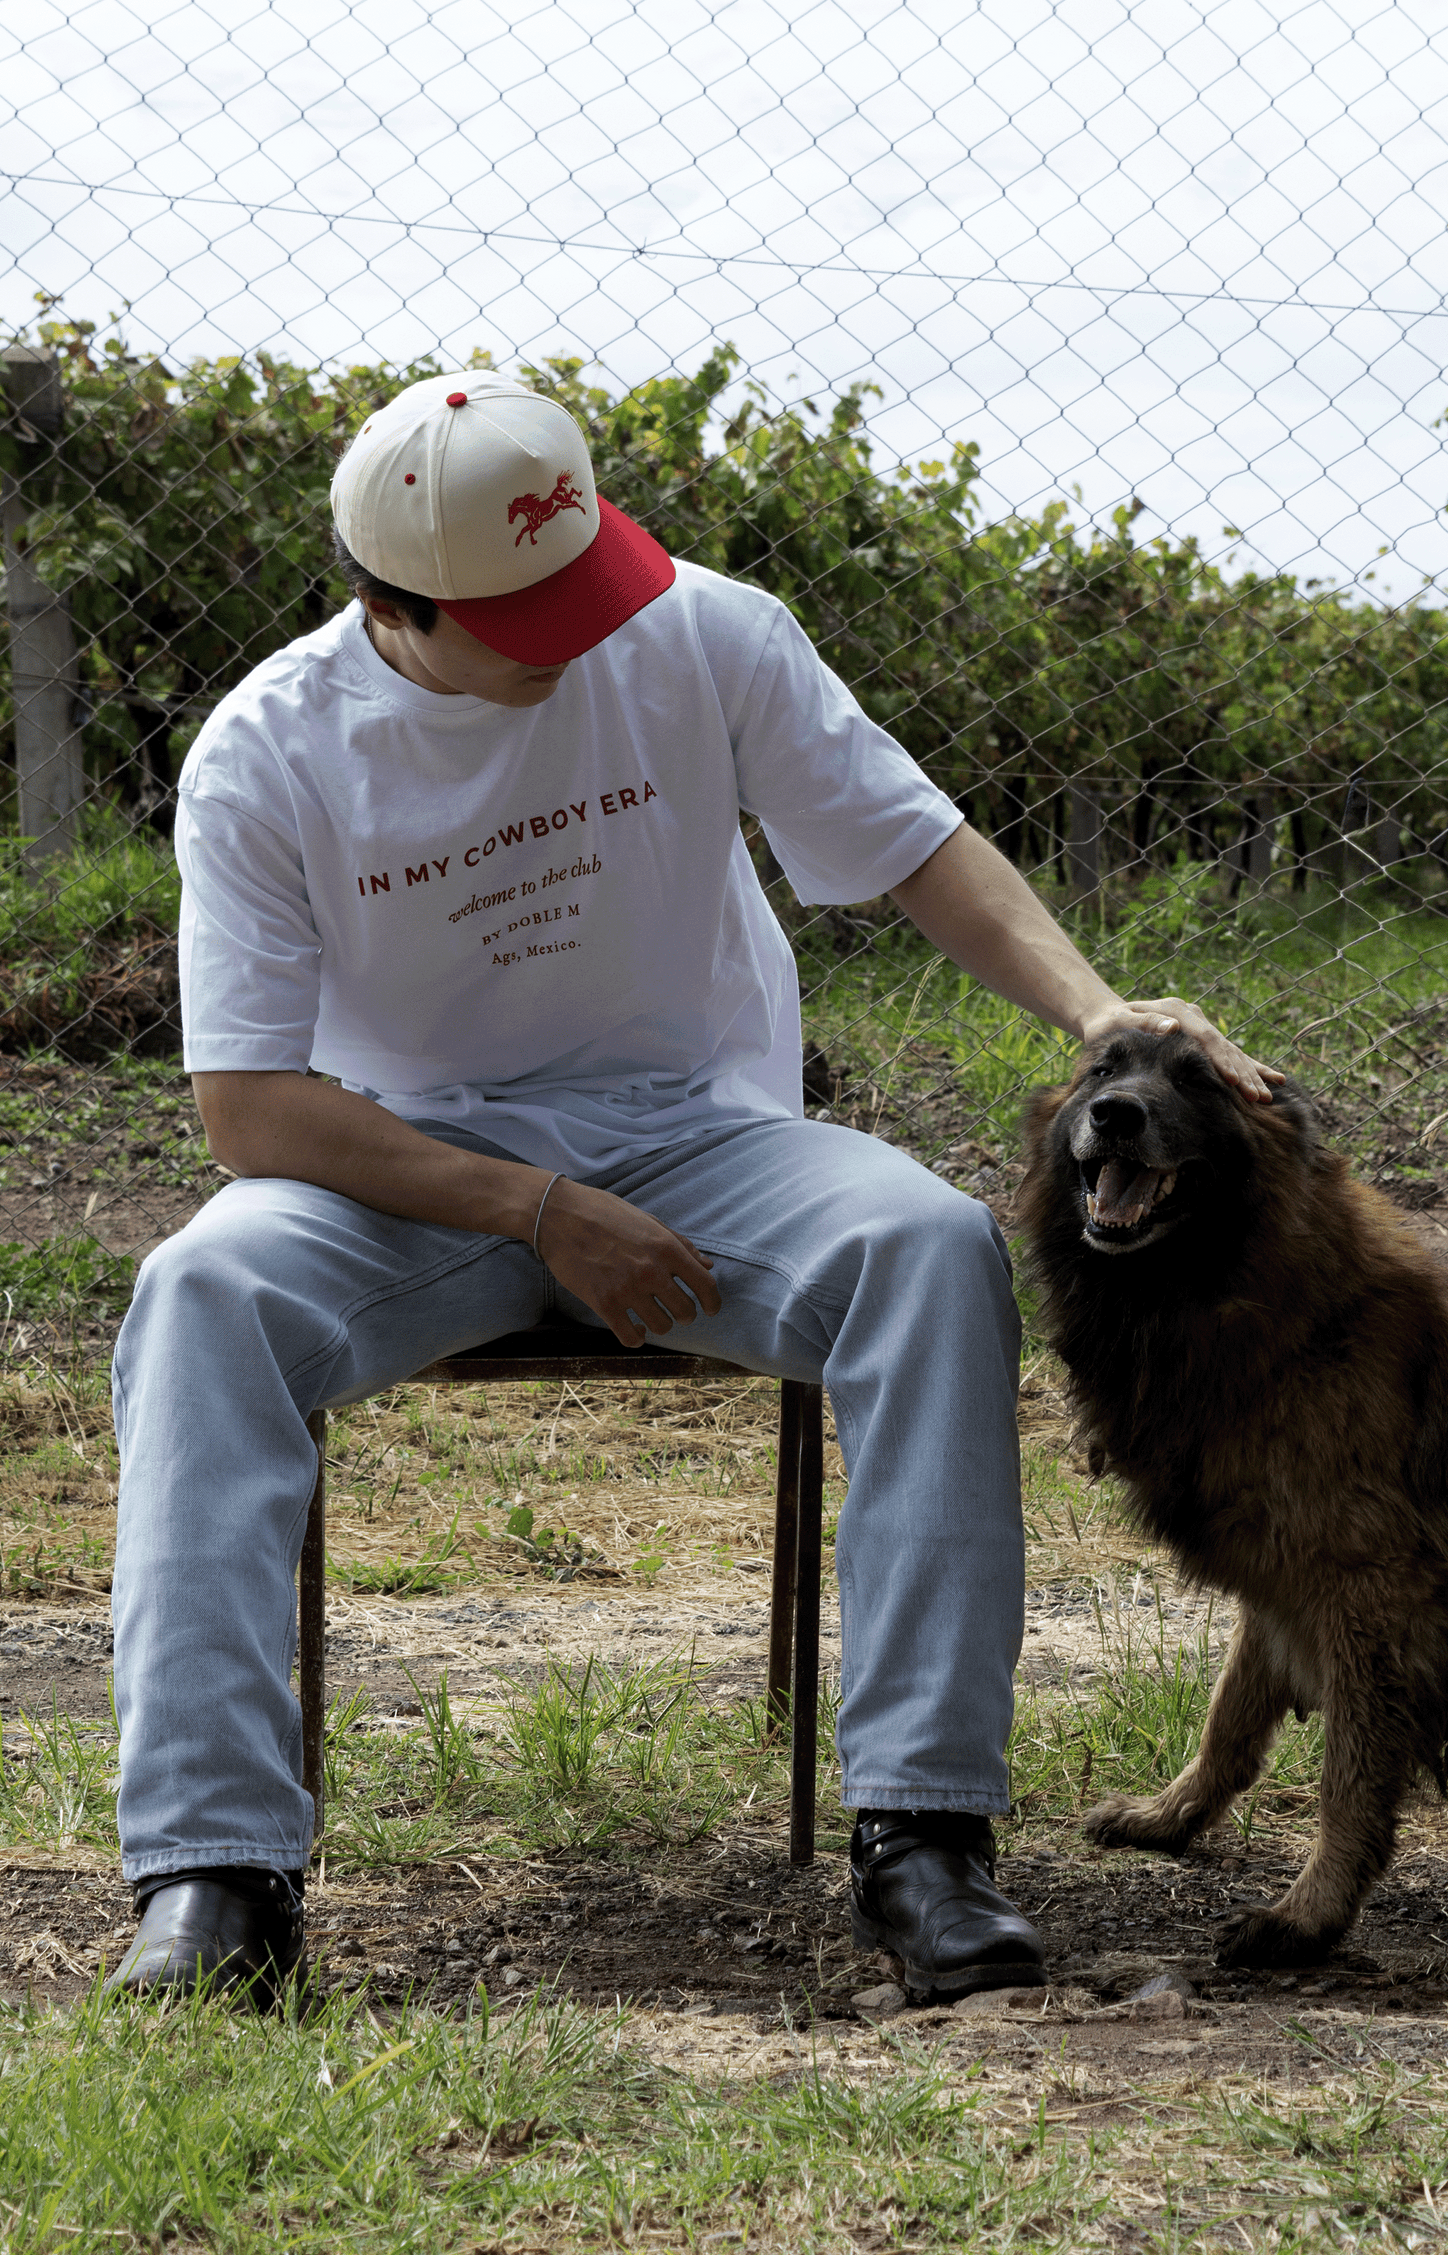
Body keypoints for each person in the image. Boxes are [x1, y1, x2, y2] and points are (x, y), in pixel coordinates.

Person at [109, 372, 1274, 2002]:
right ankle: (215, 1879)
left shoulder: (702, 629)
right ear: (399, 605)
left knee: (930, 1250)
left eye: (590, 584)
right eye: (532, 614)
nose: (586, 635)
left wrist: (1103, 1011)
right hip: (409, 1165)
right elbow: (249, 1109)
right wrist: (527, 1204)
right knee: (202, 1294)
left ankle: (925, 1841)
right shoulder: (269, 754)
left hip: (697, 1134)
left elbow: (919, 845)